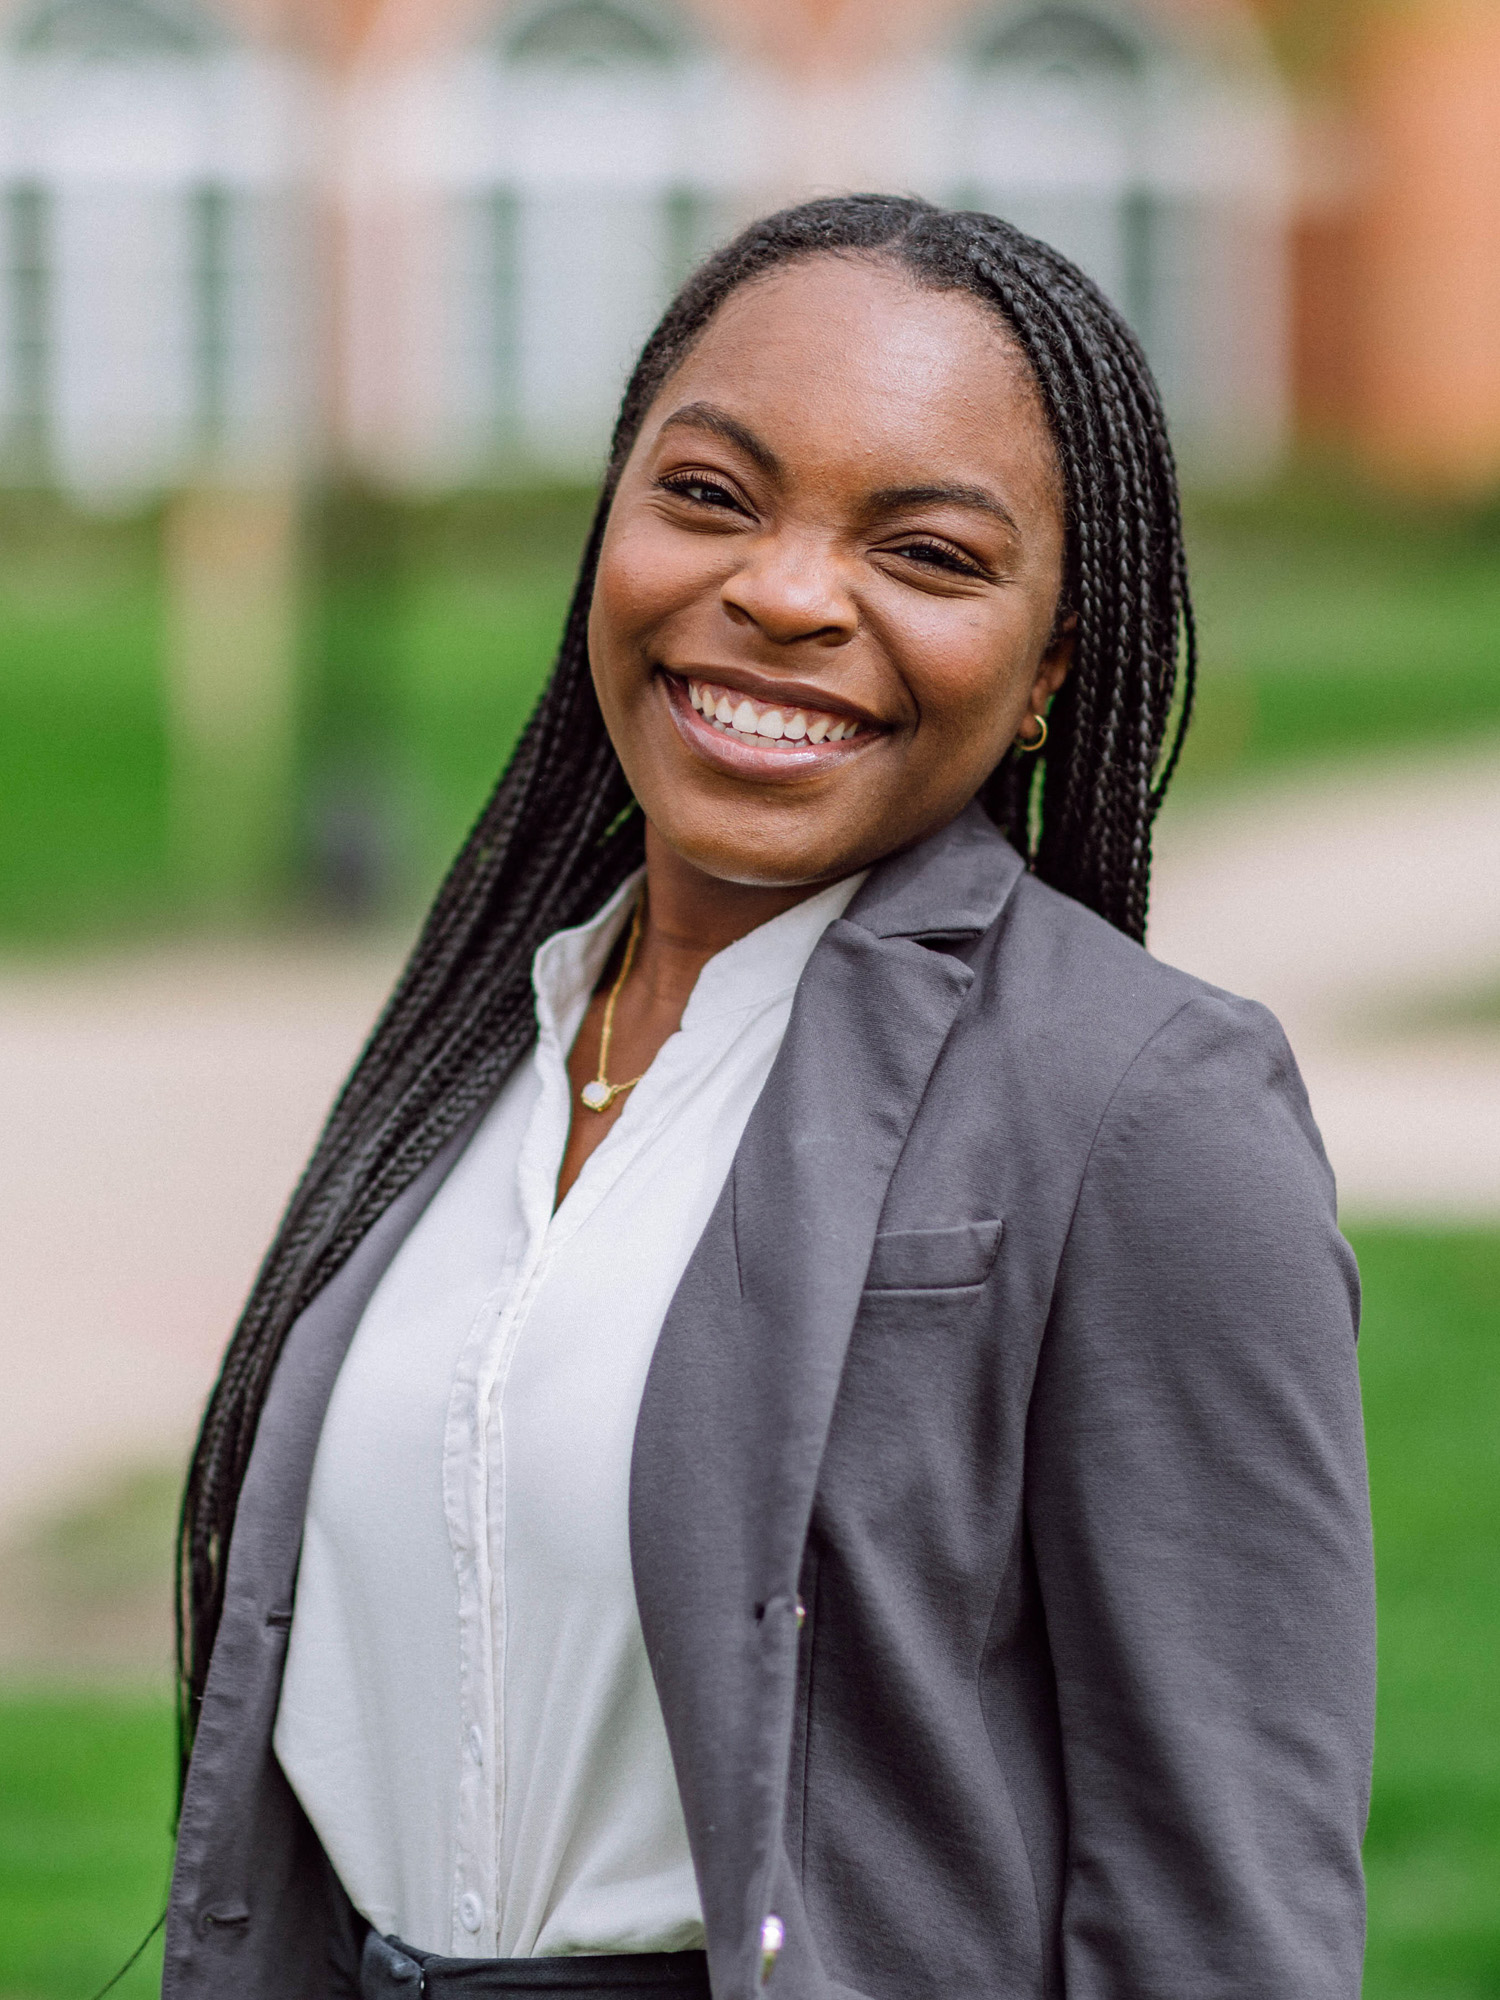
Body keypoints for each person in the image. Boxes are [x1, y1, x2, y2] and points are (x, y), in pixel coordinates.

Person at [164, 196, 1374, 2000]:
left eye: (933, 555)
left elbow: (1229, 1913)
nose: (787, 594)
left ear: (1050, 668)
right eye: (712, 498)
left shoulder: (1144, 1109)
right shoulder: (487, 1044)